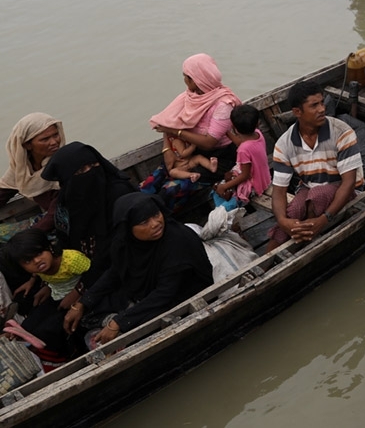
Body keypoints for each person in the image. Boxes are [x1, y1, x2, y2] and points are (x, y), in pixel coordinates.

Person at [65, 193, 213, 347]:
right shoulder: (125, 244)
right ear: (128, 228)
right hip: (145, 292)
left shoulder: (177, 240)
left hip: (180, 295)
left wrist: (119, 322)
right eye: (144, 222)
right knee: (88, 313)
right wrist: (82, 303)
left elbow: (165, 293)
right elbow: (115, 272)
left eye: (156, 214)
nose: (155, 223)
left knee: (135, 333)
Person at [268, 82, 363, 250]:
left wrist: (324, 220)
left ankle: (308, 243)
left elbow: (348, 182)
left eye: (321, 103)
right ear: (297, 112)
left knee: (317, 196)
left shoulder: (341, 132)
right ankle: (267, 258)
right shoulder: (284, 144)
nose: (322, 109)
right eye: (314, 105)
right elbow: (279, 191)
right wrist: (283, 222)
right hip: (309, 187)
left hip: (345, 188)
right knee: (294, 210)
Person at [142, 54, 241, 212]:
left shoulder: (223, 105)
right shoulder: (190, 97)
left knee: (170, 190)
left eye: (186, 77)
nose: (184, 80)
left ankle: (159, 217)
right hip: (189, 152)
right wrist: (169, 149)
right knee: (152, 181)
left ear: (196, 79)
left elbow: (209, 142)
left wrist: (174, 131)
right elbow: (168, 122)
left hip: (218, 158)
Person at [41, 143, 134, 276]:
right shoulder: (66, 201)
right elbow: (64, 240)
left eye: (94, 165)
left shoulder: (119, 193)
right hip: (78, 265)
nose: (90, 172)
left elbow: (119, 244)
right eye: (80, 171)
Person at [6, 228, 90, 356]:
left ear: (49, 247)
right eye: (28, 261)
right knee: (33, 317)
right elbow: (39, 274)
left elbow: (93, 276)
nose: (36, 261)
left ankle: (57, 355)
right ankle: (24, 333)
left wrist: (79, 296)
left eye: (39, 253)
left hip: (80, 295)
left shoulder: (71, 260)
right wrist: (37, 282)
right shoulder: (40, 269)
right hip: (56, 293)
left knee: (50, 328)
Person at [2, 113, 63, 219]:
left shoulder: (66, 164)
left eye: (56, 135)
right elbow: (3, 192)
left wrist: (34, 232)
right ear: (27, 145)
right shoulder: (22, 169)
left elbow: (58, 209)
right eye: (45, 139)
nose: (54, 142)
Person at [212, 105, 271, 211]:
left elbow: (245, 175)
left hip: (255, 185)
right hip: (264, 177)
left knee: (219, 195)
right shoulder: (258, 133)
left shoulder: (243, 150)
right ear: (257, 123)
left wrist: (225, 187)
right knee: (225, 181)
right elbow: (241, 142)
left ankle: (230, 216)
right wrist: (227, 132)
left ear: (235, 128)